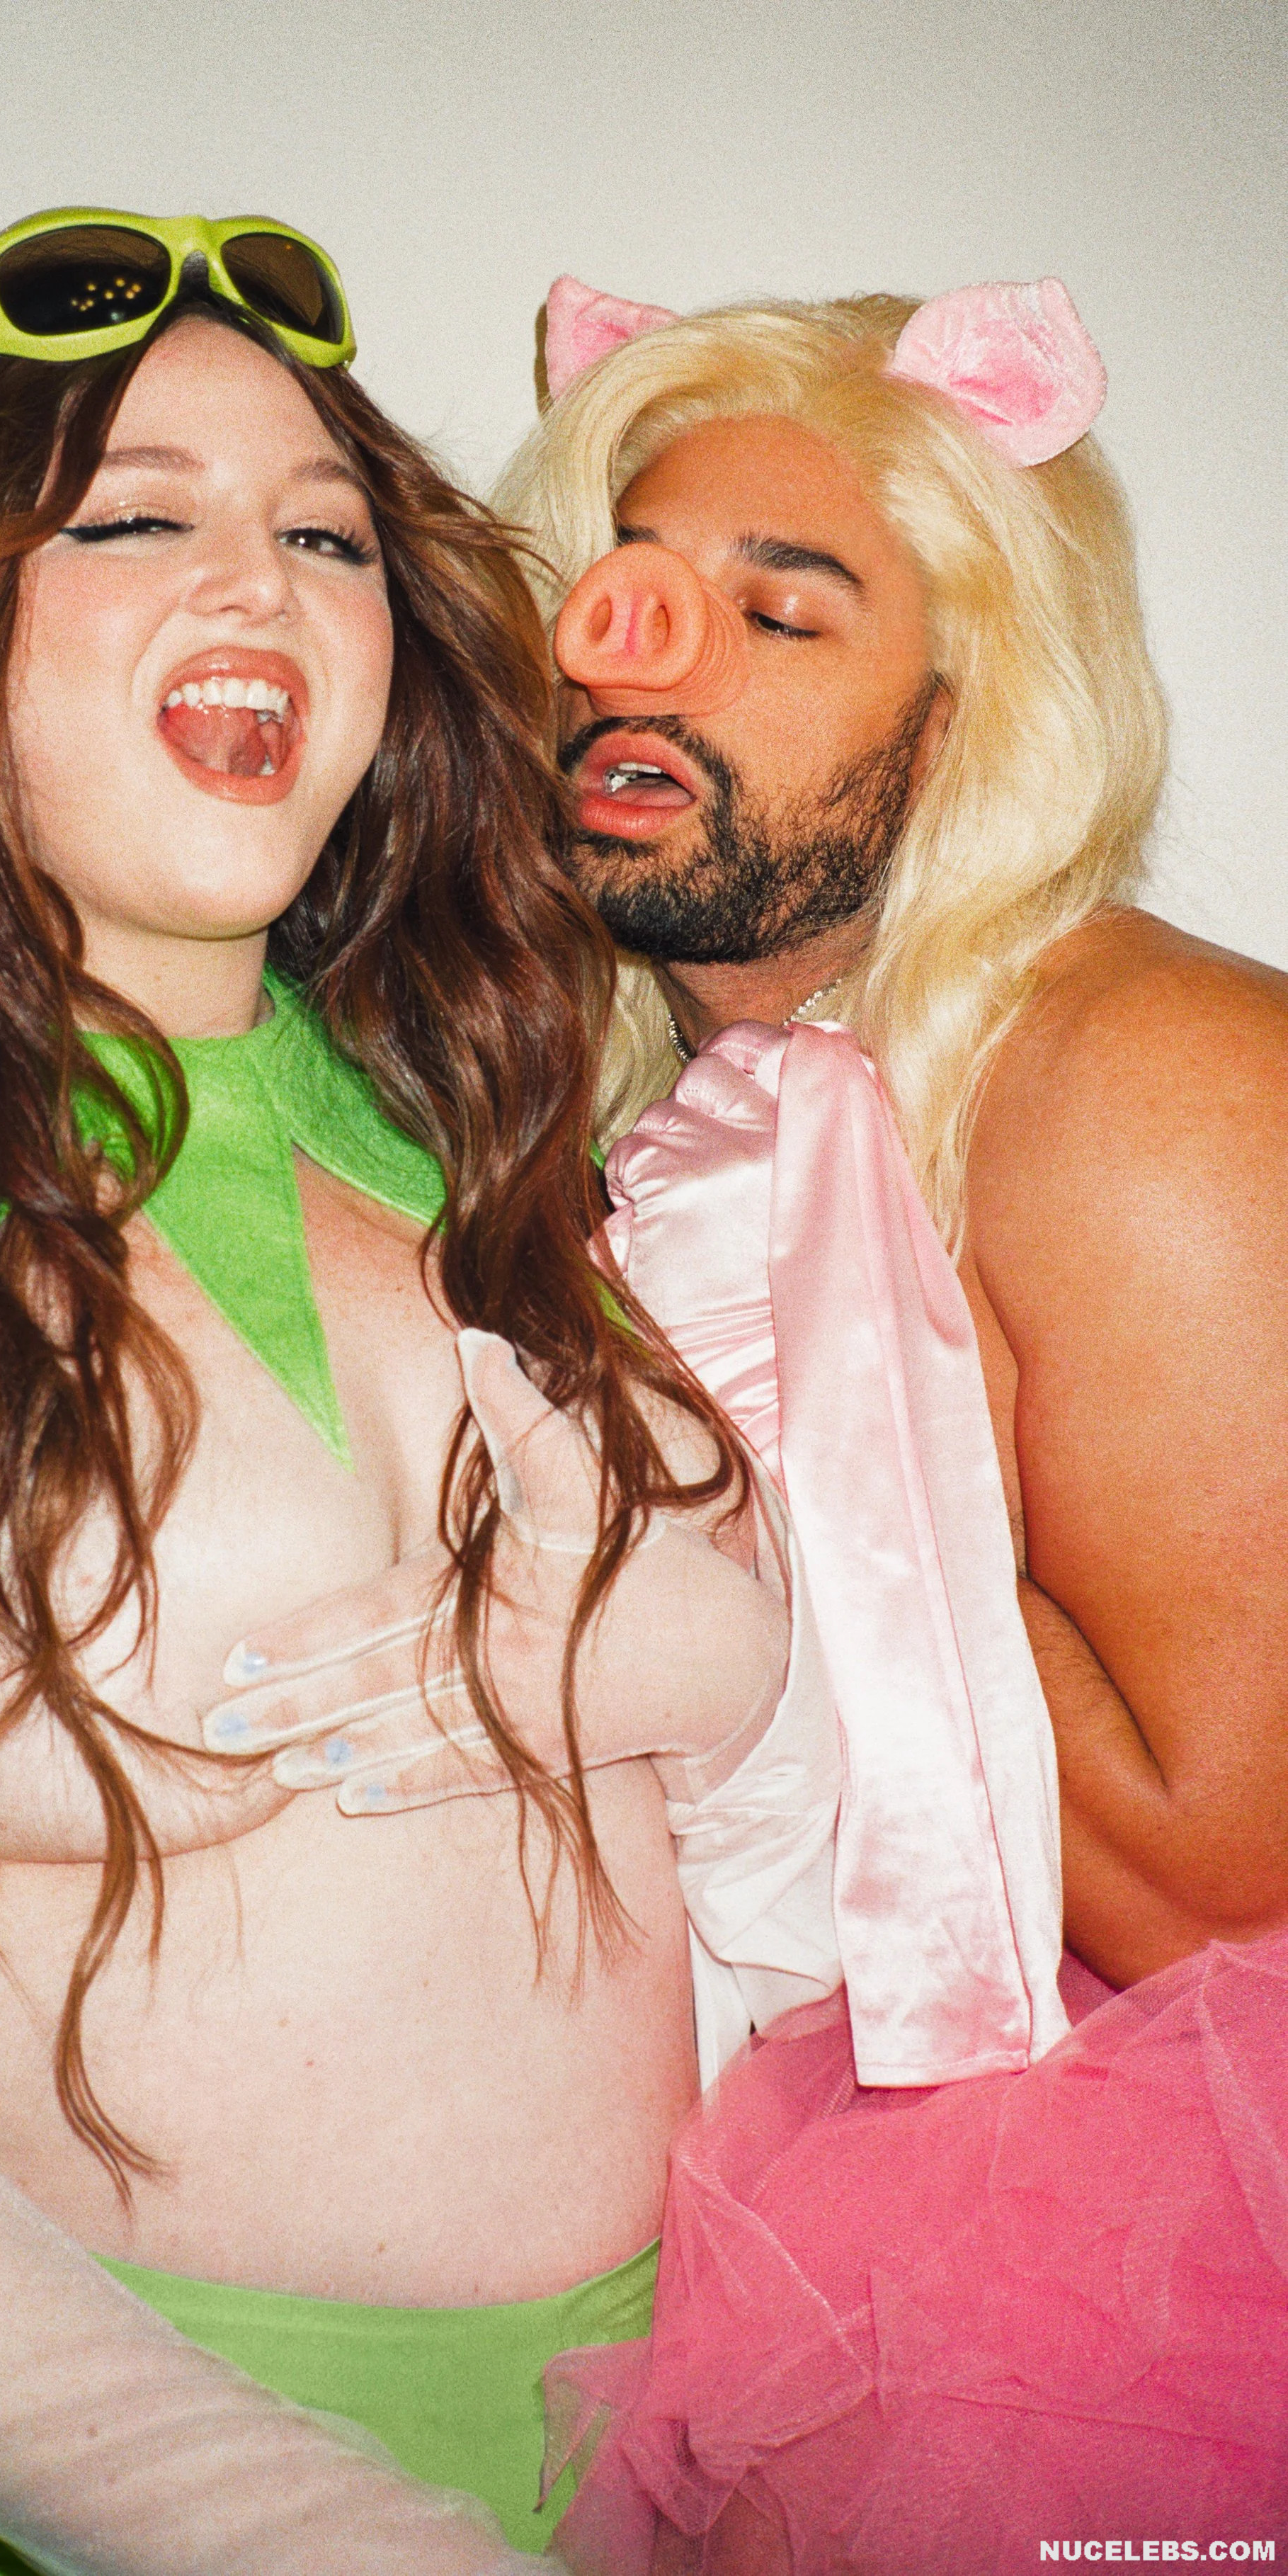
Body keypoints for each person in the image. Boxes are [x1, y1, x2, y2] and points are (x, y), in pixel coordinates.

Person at [0, 209, 804, 2576]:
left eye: (326, 535)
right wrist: (320, 2541)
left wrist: (718, 1667)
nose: (262, 583)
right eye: (132, 518)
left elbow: (795, 1812)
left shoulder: (511, 1139)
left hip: (643, 2439)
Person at [486, 276, 1288, 2563]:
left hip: (1125, 2244)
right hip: (746, 2166)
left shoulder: (1146, 1077)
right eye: (622, 597)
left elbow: (1226, 1886)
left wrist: (829, 1427)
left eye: (781, 613)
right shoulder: (652, 1120)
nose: (649, 671)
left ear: (959, 713)